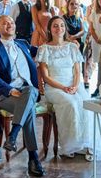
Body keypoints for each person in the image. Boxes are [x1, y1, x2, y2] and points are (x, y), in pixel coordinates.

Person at [0, 15, 45, 177]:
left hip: (27, 92)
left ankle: (13, 135)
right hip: (6, 95)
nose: (9, 25)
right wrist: (10, 90)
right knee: (29, 106)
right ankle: (33, 158)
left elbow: (44, 50)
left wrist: (66, 44)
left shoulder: (23, 44)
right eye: (4, 23)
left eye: (11, 22)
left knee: (31, 92)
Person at [36, 16, 92, 159]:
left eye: (61, 25)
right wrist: (63, 88)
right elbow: (46, 77)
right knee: (71, 103)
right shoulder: (44, 49)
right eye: (55, 26)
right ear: (50, 29)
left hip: (73, 84)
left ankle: (84, 142)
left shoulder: (72, 46)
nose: (59, 28)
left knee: (86, 103)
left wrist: (74, 86)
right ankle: (69, 145)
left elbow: (77, 71)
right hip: (54, 87)